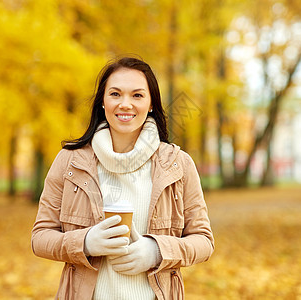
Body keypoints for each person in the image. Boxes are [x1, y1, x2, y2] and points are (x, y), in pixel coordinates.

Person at [31, 56, 214, 300]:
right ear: (102, 103)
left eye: (137, 95)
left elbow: (203, 241)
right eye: (115, 94)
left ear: (151, 104)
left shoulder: (177, 164)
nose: (125, 104)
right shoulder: (69, 161)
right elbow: (40, 237)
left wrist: (156, 251)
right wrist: (84, 242)